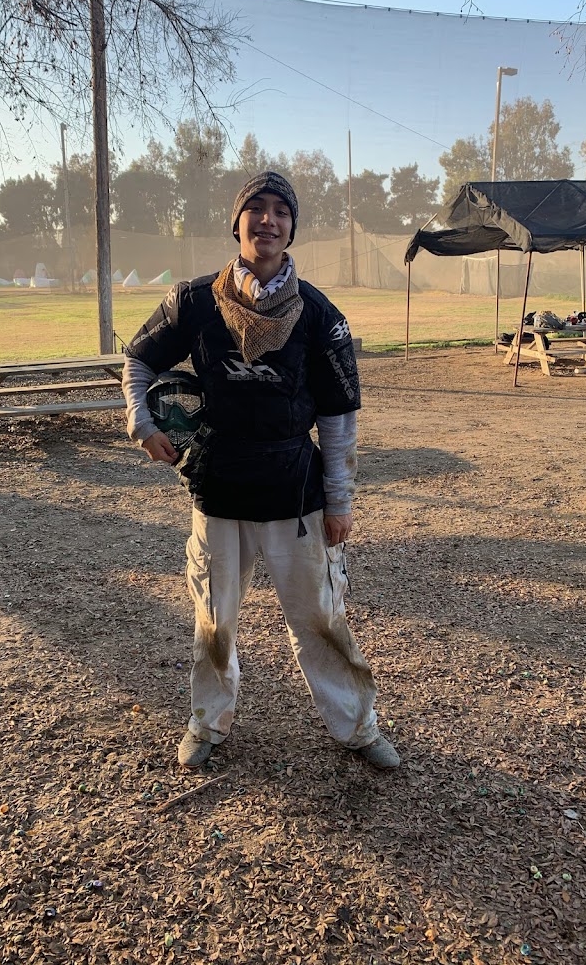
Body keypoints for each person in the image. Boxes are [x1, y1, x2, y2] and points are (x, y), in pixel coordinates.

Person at [122, 171, 399, 770]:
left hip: (294, 491)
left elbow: (338, 418)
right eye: (256, 208)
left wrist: (340, 500)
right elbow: (139, 359)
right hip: (218, 487)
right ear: (237, 221)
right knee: (214, 619)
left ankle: (357, 727)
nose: (268, 220)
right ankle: (207, 721)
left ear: (291, 227)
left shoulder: (319, 314)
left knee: (320, 618)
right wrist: (141, 423)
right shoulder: (194, 301)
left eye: (281, 211)